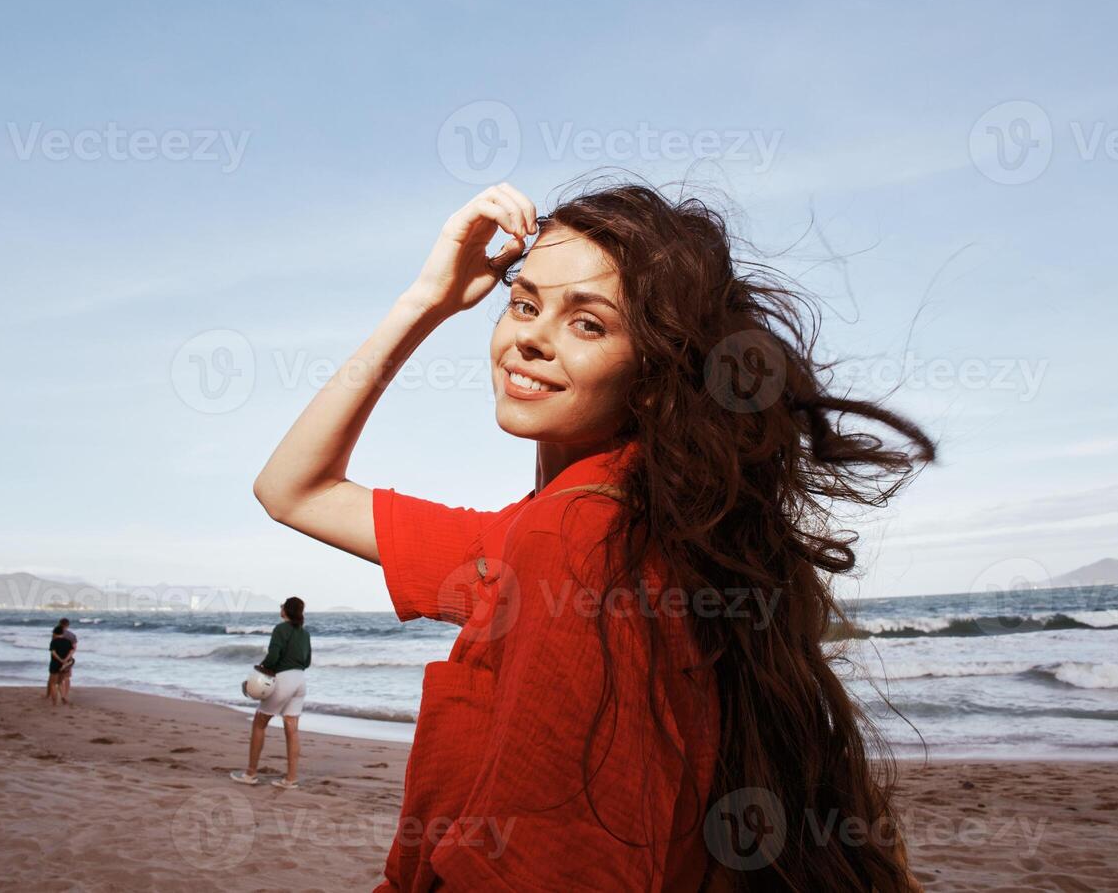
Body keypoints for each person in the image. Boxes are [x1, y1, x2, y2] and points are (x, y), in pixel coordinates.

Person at [251, 179, 935, 891]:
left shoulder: (579, 532)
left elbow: (552, 866)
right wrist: (427, 300)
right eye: (524, 303)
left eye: (588, 323)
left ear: (650, 375)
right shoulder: (554, 524)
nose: (531, 339)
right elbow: (294, 491)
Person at [230, 596, 312, 790]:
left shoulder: (280, 629)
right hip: (300, 681)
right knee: (292, 728)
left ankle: (250, 774)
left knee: (259, 722)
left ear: (286, 610)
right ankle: (291, 779)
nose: (280, 608)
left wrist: (262, 669)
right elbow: (307, 661)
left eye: (283, 605)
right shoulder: (305, 634)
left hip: (283, 680)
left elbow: (274, 656)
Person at [45, 623, 74, 707]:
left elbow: (53, 653)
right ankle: (63, 697)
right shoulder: (68, 641)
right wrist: (65, 660)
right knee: (60, 682)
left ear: (54, 633)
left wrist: (60, 660)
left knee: (53, 684)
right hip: (65, 665)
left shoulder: (54, 642)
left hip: (55, 664)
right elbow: (71, 652)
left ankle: (54, 703)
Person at [57, 617, 78, 700]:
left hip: (57, 658)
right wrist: (68, 657)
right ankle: (65, 695)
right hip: (68, 658)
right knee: (67, 677)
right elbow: (74, 648)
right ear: (68, 625)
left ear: (59, 624)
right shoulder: (72, 635)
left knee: (59, 678)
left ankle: (61, 694)